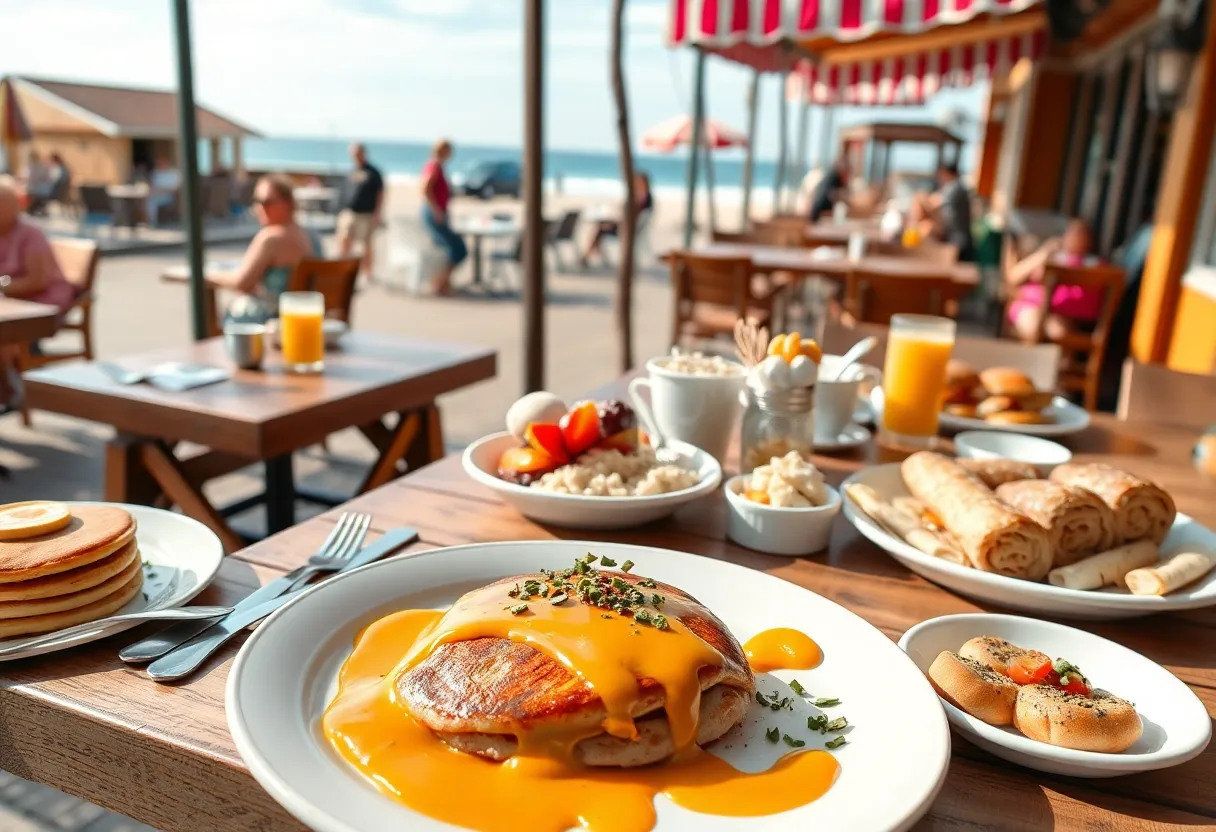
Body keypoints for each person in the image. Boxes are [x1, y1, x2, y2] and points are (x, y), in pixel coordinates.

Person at [0, 176, 76, 408]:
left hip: (41, 302)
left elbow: (38, 281)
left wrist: (3, 286)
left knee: (4, 333)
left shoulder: (30, 234)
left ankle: (8, 391)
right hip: (13, 301)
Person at [211, 174, 323, 322]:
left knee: (233, 313)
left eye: (266, 202)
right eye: (257, 202)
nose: (259, 208)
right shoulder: (311, 234)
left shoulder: (271, 237)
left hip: (276, 321)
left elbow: (242, 282)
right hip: (306, 318)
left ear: (288, 203)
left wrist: (207, 276)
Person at [1006, 218, 1102, 342]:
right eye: (1072, 233)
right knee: (1034, 324)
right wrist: (1044, 253)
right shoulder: (1051, 257)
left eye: (1081, 234)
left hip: (1060, 315)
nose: (1076, 238)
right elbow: (1014, 277)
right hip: (1031, 307)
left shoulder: (1092, 266)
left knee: (1059, 331)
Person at [420, 139, 467, 295]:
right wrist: (436, 210)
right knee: (457, 248)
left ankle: (443, 282)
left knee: (451, 247)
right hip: (434, 213)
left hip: (437, 212)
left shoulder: (437, 166)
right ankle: (439, 282)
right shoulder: (434, 166)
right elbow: (425, 188)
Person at [581, 171, 653, 267]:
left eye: (638, 181)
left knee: (599, 229)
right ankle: (591, 255)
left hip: (627, 229)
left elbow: (631, 214)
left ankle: (588, 256)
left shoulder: (643, 198)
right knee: (600, 226)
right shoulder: (643, 196)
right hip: (628, 226)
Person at [337, 142, 385, 279]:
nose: (354, 156)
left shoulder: (373, 172)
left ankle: (367, 272)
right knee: (344, 241)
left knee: (366, 245)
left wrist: (378, 213)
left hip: (366, 214)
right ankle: (342, 269)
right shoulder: (352, 171)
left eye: (357, 153)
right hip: (349, 212)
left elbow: (380, 193)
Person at [910, 161, 974, 260]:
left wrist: (920, 200)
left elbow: (934, 203)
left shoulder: (954, 188)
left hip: (957, 241)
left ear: (945, 173)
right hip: (958, 239)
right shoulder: (957, 187)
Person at [808, 158, 848, 223]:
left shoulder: (832, 175)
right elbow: (832, 194)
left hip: (819, 208)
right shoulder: (833, 176)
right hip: (820, 207)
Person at [145, 156, 181, 226]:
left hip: (169, 197)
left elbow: (175, 189)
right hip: (156, 195)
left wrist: (162, 191)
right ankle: (147, 221)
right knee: (147, 200)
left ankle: (153, 222)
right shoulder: (156, 173)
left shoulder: (174, 173)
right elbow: (152, 186)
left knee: (151, 202)